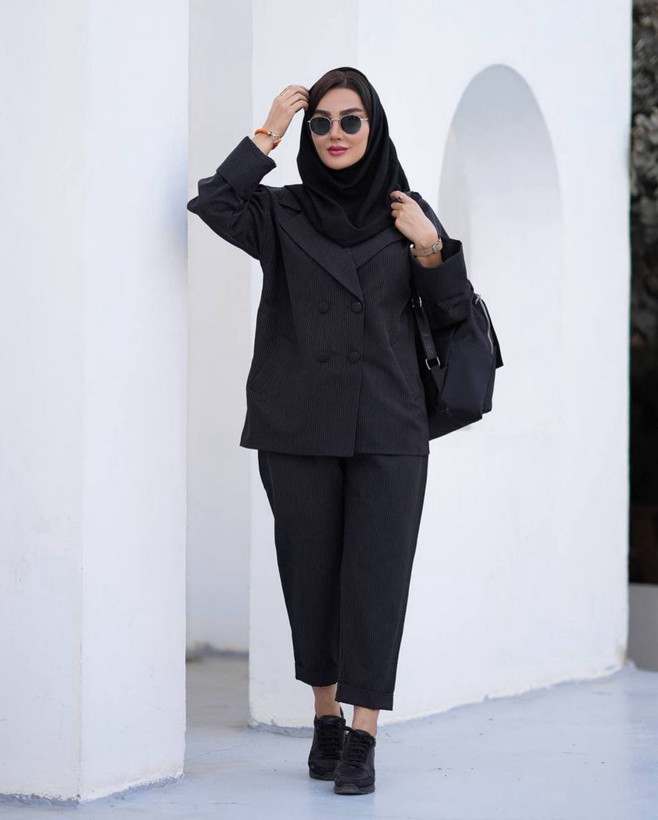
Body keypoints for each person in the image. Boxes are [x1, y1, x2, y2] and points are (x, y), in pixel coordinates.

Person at [187, 66, 473, 796]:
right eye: (321, 123)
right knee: (309, 574)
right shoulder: (281, 212)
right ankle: (325, 717)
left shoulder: (408, 212)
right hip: (297, 423)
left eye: (351, 121)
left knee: (378, 580)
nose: (335, 134)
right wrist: (268, 133)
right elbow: (216, 202)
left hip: (389, 426)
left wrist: (431, 248)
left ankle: (364, 733)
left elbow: (453, 315)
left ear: (373, 127)